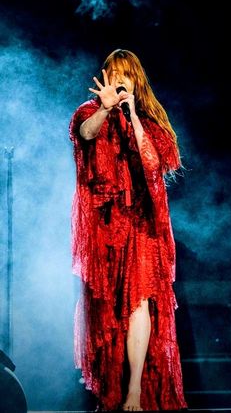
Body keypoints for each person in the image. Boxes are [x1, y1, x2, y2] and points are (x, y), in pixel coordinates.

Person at [69, 49, 188, 411]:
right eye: (113, 73)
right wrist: (106, 108)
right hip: (105, 227)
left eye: (126, 75)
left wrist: (133, 114)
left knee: (139, 302)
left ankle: (135, 390)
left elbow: (155, 163)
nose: (119, 81)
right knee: (105, 310)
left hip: (141, 226)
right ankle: (111, 391)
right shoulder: (89, 113)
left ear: (136, 80)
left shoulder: (152, 123)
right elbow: (86, 134)